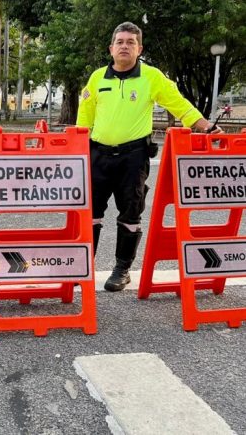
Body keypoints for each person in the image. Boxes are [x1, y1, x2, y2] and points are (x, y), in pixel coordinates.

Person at [77, 21, 222, 292]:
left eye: (130, 42)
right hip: (98, 155)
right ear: (111, 48)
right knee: (91, 214)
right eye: (120, 42)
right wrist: (77, 147)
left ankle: (121, 269)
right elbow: (84, 117)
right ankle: (83, 267)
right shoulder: (97, 78)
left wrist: (204, 126)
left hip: (133, 157)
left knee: (131, 212)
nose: (124, 46)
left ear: (139, 49)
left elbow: (178, 104)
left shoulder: (152, 76)